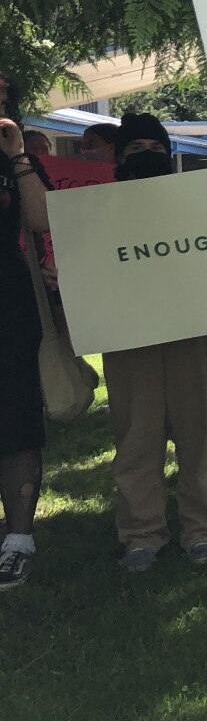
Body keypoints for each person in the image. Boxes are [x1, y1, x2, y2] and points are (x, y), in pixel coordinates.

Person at [104, 114, 207, 574]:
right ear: (120, 157)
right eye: (135, 148)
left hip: (193, 329)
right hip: (127, 334)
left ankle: (204, 527)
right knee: (137, 435)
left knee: (198, 431)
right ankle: (141, 533)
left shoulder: (198, 204)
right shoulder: (97, 212)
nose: (147, 155)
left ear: (169, 154)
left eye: (156, 148)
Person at [0, 70, 50, 590]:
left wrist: (17, 155)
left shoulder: (16, 158)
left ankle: (18, 541)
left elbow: (40, 220)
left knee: (15, 418)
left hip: (8, 301)